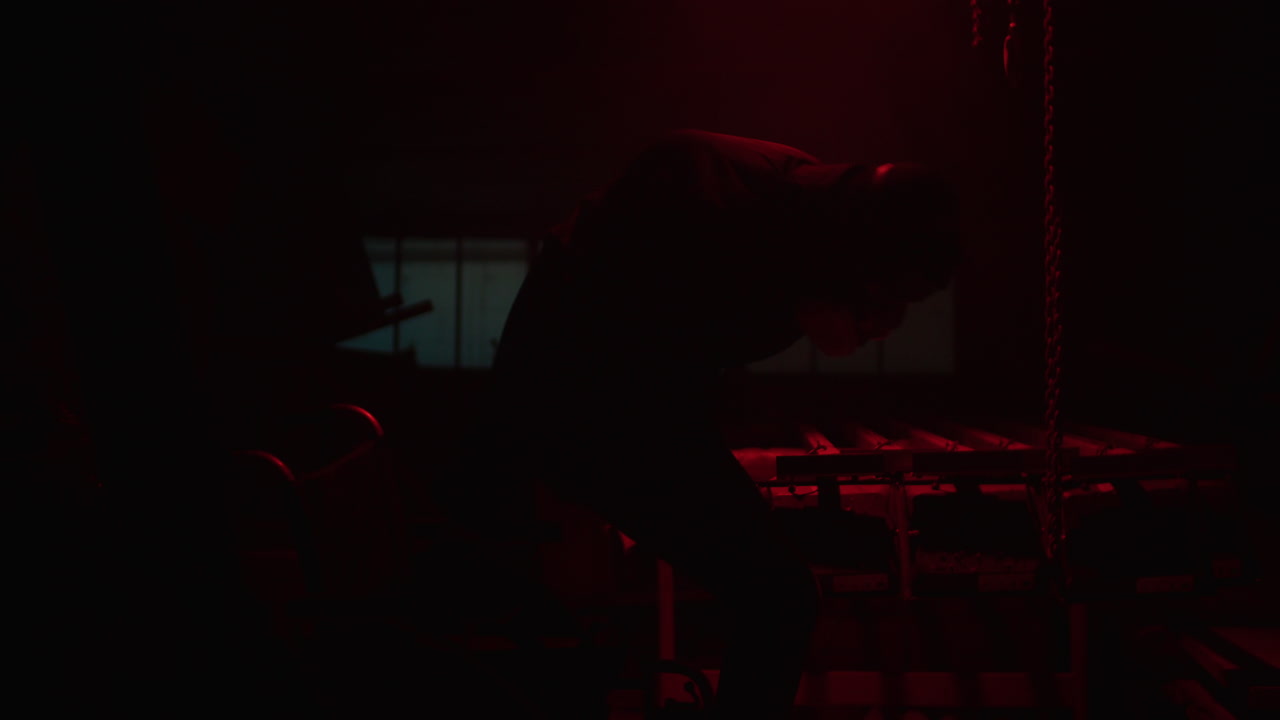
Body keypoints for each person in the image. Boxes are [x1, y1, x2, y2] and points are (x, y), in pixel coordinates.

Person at [448, 129, 962, 718]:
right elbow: (644, 391)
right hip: (578, 400)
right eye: (881, 298)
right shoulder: (716, 215)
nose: (885, 320)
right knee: (776, 595)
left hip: (600, 401)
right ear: (862, 263)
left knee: (773, 591)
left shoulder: (791, 220)